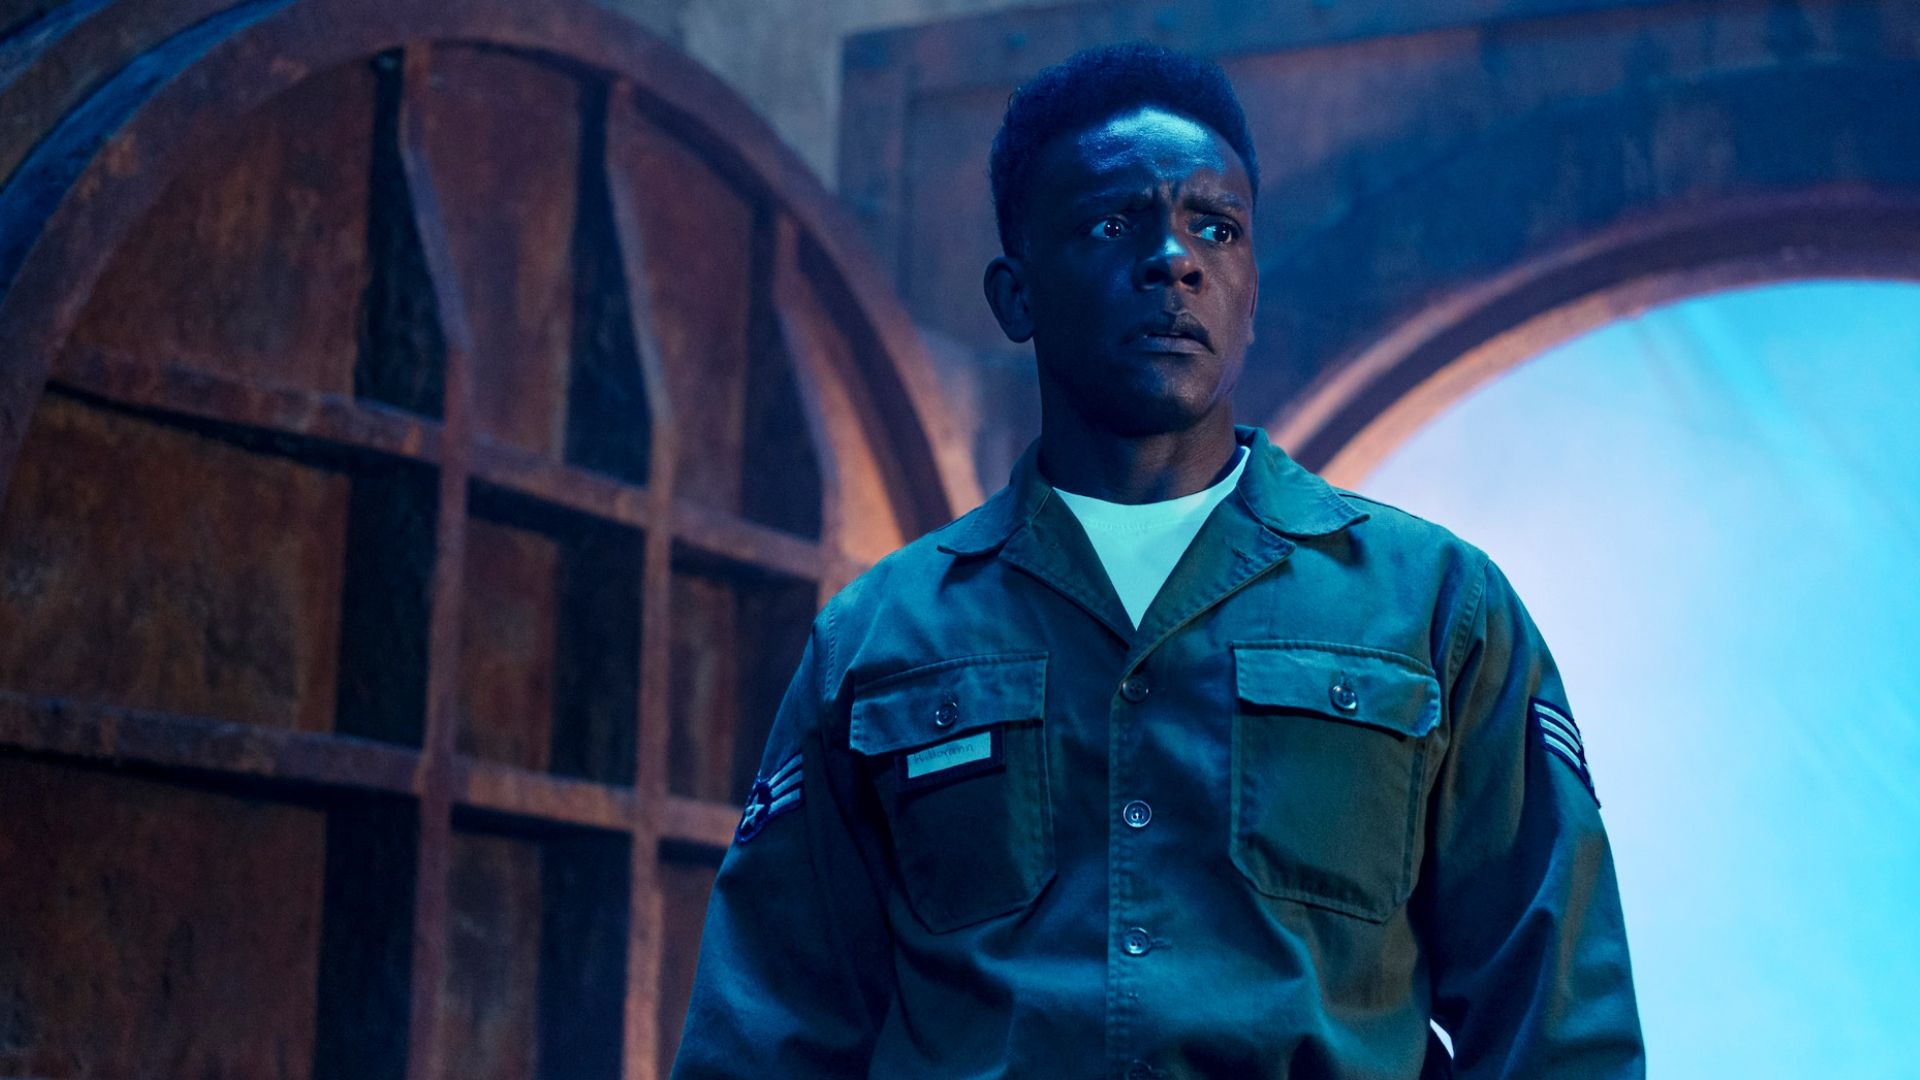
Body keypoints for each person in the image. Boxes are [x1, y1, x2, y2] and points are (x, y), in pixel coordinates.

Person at [671, 42, 1643, 1079]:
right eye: (1112, 223)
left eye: (1215, 228)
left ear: (1251, 291)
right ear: (1015, 297)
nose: (1175, 260)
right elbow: (764, 1039)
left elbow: (1558, 1035)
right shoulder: (878, 639)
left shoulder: (1438, 608)